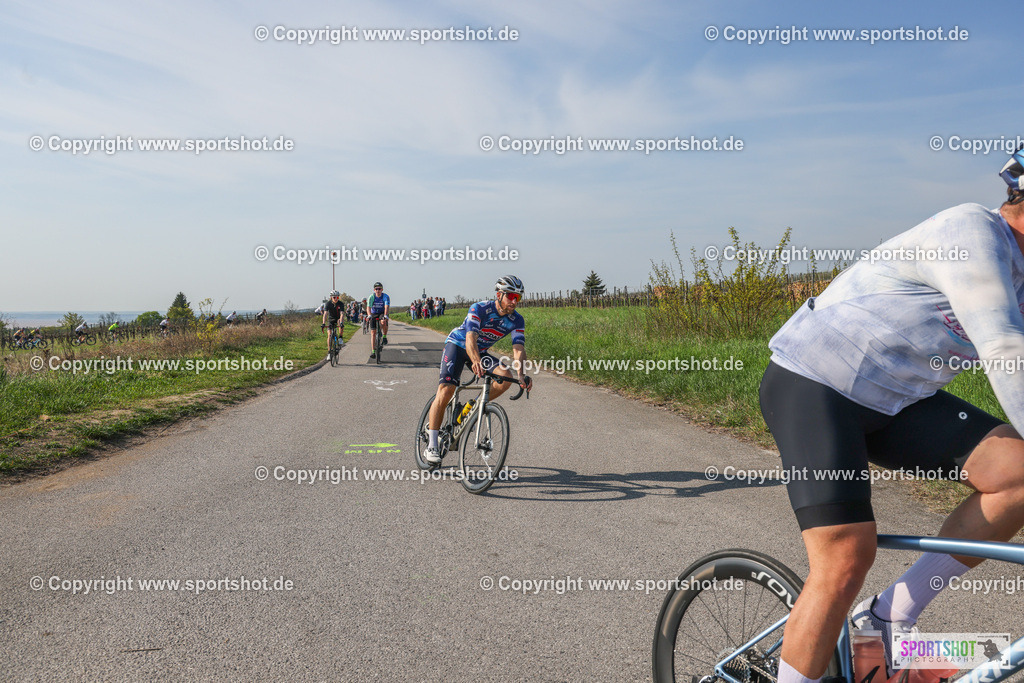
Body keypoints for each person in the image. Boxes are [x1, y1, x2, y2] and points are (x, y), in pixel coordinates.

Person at [760, 147, 1024, 683]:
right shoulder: (970, 232)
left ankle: (888, 617)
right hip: (817, 380)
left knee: (1018, 474)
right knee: (845, 557)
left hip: (899, 401)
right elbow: (1003, 348)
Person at [423, 275, 533, 465]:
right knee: (447, 390)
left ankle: (475, 405)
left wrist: (521, 375)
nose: (515, 302)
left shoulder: (517, 320)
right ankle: (432, 444)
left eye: (518, 298)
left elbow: (518, 349)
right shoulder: (480, 308)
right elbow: (470, 338)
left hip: (480, 351)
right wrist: (475, 361)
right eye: (511, 296)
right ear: (499, 295)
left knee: (506, 377)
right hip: (458, 345)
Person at [365, 282, 390, 359]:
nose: (378, 290)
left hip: (382, 312)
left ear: (382, 289)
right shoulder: (371, 297)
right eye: (376, 289)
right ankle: (373, 352)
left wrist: (385, 316)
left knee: (383, 321)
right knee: (373, 332)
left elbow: (386, 307)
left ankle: (384, 337)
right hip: (374, 313)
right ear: (374, 290)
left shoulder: (385, 296)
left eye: (379, 289)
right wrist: (369, 315)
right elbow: (368, 307)